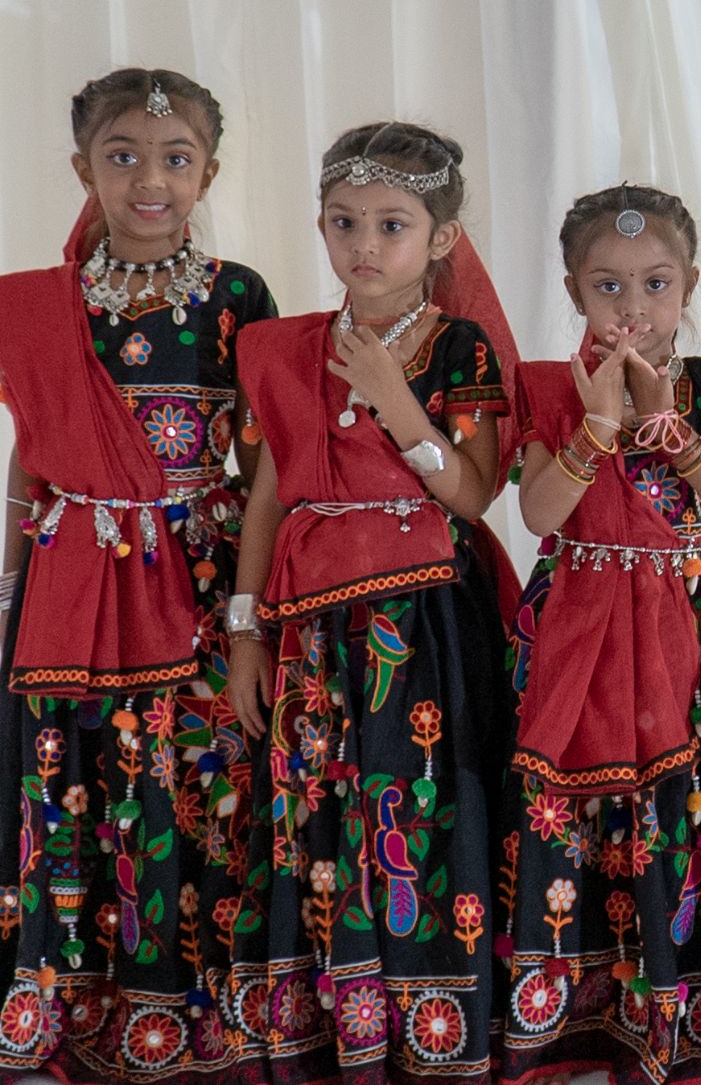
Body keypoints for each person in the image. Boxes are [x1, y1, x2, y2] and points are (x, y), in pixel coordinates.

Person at [225, 122, 520, 1084]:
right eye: (344, 221)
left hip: (426, 620)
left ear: (441, 238)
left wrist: (399, 405)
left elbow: (474, 495)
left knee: (421, 802)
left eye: (392, 224)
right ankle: (333, 1017)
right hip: (314, 623)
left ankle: (436, 1017)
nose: (364, 244)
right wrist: (244, 633)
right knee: (321, 803)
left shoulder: (461, 345)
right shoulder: (278, 350)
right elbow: (267, 494)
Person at [0, 68, 277, 1082]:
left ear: (207, 171)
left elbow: (263, 474)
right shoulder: (46, 305)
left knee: (194, 788)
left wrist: (248, 620)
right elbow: (33, 456)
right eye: (122, 157)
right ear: (83, 170)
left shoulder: (239, 297)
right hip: (72, 583)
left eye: (174, 159)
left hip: (196, 581)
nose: (148, 180)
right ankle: (68, 1000)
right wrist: (10, 590)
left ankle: (190, 1011)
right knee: (73, 786)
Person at [498, 185, 701, 1085]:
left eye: (656, 284)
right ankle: (571, 1012)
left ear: (690, 283)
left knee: (680, 809)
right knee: (571, 809)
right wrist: (596, 428)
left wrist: (665, 423)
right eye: (608, 286)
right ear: (574, 289)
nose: (634, 307)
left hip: (677, 630)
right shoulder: (547, 389)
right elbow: (543, 512)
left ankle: (682, 1005)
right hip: (576, 621)